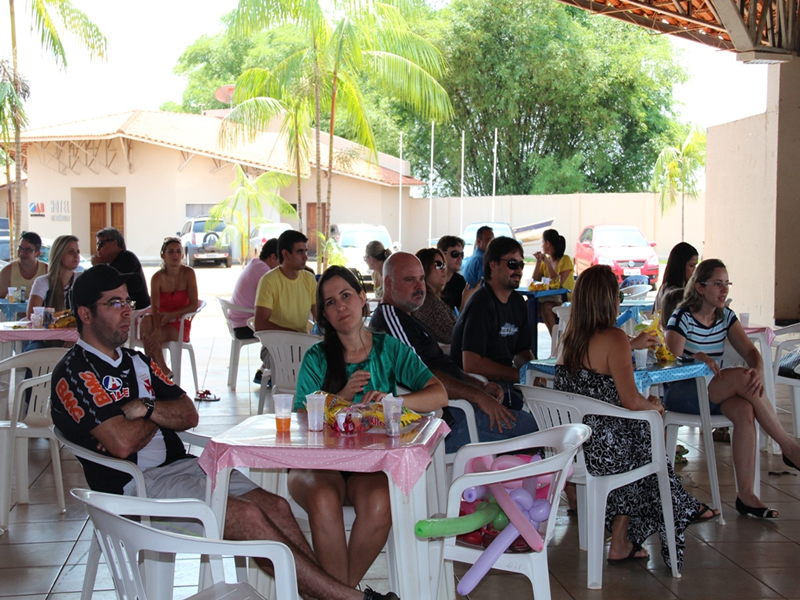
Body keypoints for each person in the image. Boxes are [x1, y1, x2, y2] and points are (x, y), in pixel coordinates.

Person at [49, 264, 400, 600]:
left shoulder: (136, 361)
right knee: (248, 517)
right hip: (136, 486)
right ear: (85, 314)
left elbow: (188, 413)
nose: (127, 310)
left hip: (184, 467)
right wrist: (159, 411)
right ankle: (352, 598)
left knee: (277, 507)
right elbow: (123, 443)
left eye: (127, 301)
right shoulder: (75, 372)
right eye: (114, 303)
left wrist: (146, 407)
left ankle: (333, 597)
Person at [292, 265, 447, 587]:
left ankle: (336, 592)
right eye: (330, 302)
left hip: (370, 467)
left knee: (381, 502)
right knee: (323, 501)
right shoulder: (316, 357)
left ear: (363, 298)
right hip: (317, 466)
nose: (341, 306)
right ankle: (345, 593)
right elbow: (299, 421)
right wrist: (340, 398)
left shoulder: (388, 349)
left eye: (346, 296)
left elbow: (439, 395)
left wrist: (393, 402)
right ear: (324, 314)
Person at [555, 264, 717, 569]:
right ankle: (654, 519)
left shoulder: (569, 340)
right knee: (648, 437)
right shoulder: (614, 337)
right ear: (609, 300)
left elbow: (599, 379)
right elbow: (631, 400)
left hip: (572, 446)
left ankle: (650, 521)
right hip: (602, 452)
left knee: (641, 436)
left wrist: (632, 350)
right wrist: (655, 407)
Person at [665, 258, 800, 518]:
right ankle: (789, 447)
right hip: (683, 391)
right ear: (701, 287)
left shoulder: (725, 316)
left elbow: (750, 352)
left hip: (713, 391)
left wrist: (757, 368)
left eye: (727, 283)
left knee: (745, 409)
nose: (724, 289)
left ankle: (746, 496)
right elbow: (669, 359)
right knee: (741, 377)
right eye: (718, 284)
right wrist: (696, 357)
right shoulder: (682, 316)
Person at [370, 252, 539, 454]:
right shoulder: (392, 321)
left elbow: (442, 366)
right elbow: (426, 377)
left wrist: (480, 386)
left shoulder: (406, 318)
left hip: (458, 407)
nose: (419, 286)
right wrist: (478, 395)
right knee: (533, 428)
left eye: (421, 279)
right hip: (444, 422)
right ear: (388, 283)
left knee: (527, 412)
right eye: (410, 280)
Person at [450, 236, 533, 410]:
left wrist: (535, 373)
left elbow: (521, 352)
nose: (518, 270)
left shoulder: (518, 302)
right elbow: (471, 364)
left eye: (521, 264)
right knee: (535, 420)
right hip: (477, 390)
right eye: (512, 264)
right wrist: (518, 375)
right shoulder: (481, 303)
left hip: (504, 386)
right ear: (493, 264)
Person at [139, 238, 199, 377]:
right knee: (146, 322)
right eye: (171, 252)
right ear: (163, 255)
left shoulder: (189, 274)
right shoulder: (157, 278)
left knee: (148, 337)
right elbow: (154, 306)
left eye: (178, 252)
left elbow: (193, 305)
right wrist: (157, 329)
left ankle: (156, 372)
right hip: (160, 321)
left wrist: (171, 315)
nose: (175, 255)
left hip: (180, 323)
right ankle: (161, 369)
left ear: (182, 255)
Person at [230, 238, 280, 384]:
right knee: (285, 331)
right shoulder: (264, 271)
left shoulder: (256, 264)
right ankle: (276, 374)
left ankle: (264, 371)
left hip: (239, 322)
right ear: (273, 257)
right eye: (281, 261)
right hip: (245, 325)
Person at [254, 230, 316, 333]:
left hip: (302, 341)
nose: (305, 257)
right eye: (299, 252)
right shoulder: (269, 281)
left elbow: (319, 315)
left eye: (305, 251)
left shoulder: (309, 279)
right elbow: (260, 324)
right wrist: (294, 334)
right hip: (275, 342)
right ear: (285, 255)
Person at [92, 227, 150, 309]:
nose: (98, 249)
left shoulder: (127, 257)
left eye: (100, 244)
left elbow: (114, 284)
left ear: (114, 243)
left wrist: (99, 267)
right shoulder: (111, 263)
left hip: (137, 310)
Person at [27, 234, 81, 319]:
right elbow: (32, 314)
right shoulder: (42, 282)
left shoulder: (82, 279)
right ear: (59, 254)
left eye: (78, 252)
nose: (76, 255)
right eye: (71, 252)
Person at [533, 228, 575, 334]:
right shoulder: (545, 261)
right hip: (548, 297)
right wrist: (538, 262)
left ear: (547, 243)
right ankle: (528, 340)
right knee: (528, 305)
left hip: (565, 299)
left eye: (542, 242)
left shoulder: (565, 260)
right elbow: (535, 280)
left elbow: (558, 282)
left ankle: (557, 339)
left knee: (547, 307)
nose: (541, 246)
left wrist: (548, 264)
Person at [413, 247, 456, 344]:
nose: (443, 269)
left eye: (444, 265)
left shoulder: (427, 299)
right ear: (424, 268)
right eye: (438, 265)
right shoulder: (427, 303)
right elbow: (454, 336)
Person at [437, 235, 479, 314]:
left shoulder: (459, 281)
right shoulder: (433, 280)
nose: (460, 258)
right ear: (442, 254)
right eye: (455, 254)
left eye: (462, 254)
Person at [0, 231, 48, 299]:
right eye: (20, 248)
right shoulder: (8, 271)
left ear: (37, 253)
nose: (21, 253)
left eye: (27, 250)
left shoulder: (47, 270)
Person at [655, 242, 699, 312]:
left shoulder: (689, 288)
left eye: (695, 266)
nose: (694, 270)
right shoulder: (670, 292)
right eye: (691, 266)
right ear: (680, 266)